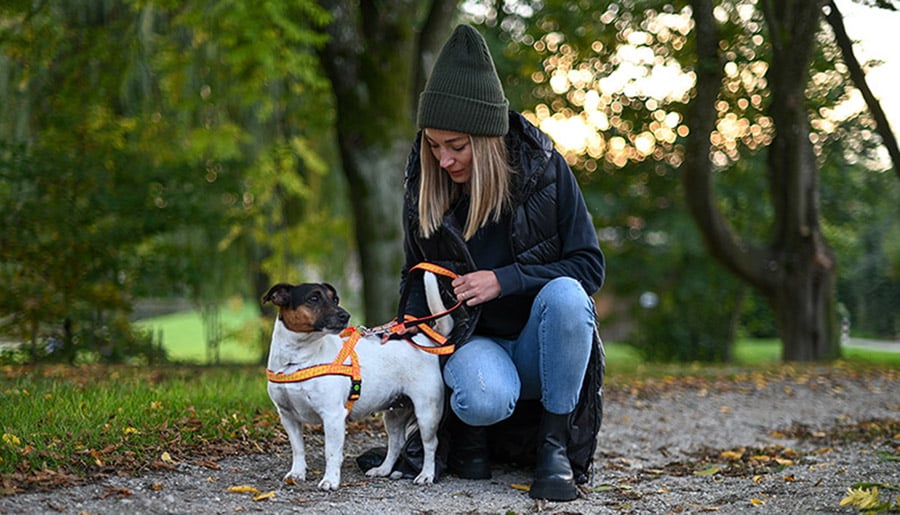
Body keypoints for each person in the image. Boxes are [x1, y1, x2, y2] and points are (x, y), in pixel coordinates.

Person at [393, 24, 606, 502]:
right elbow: (414, 276)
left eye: (455, 146)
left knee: (569, 295)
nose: (442, 159)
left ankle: (553, 449)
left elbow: (589, 267)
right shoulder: (425, 183)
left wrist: (504, 280)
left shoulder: (546, 169)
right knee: (482, 397)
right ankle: (472, 435)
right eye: (432, 144)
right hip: (475, 344)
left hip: (542, 346)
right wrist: (402, 335)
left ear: (488, 139)